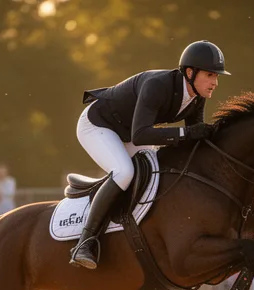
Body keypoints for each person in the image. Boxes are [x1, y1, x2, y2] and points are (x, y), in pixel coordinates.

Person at [70, 40, 228, 269]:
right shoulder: (158, 85)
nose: (215, 82)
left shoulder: (197, 96)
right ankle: (85, 242)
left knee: (157, 172)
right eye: (210, 75)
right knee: (124, 172)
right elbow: (142, 134)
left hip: (128, 133)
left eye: (217, 76)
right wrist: (187, 132)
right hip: (98, 125)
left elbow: (193, 140)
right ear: (190, 73)